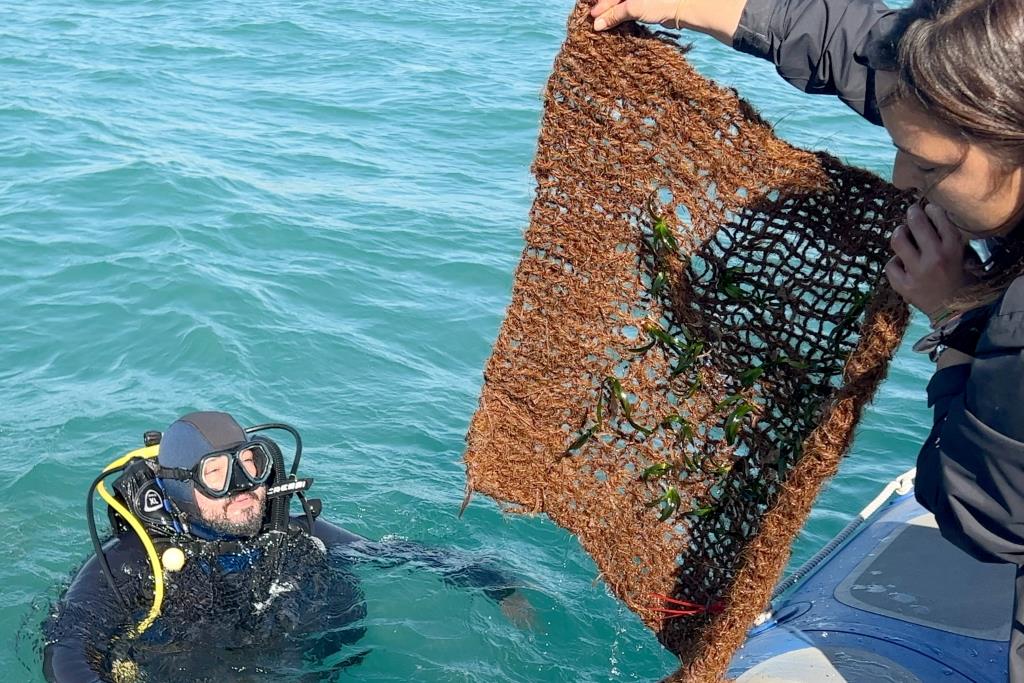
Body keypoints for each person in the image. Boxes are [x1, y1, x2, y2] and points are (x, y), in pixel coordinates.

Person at [590, 0, 1024, 678]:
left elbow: (991, 513)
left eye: (929, 166)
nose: (903, 180)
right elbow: (866, 50)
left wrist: (956, 317)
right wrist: (687, 5)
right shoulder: (984, 99)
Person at [43, 411, 531, 683]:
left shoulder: (294, 535)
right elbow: (66, 652)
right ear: (175, 488)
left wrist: (499, 585)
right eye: (215, 474)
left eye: (250, 465)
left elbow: (396, 553)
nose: (242, 487)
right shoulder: (128, 565)